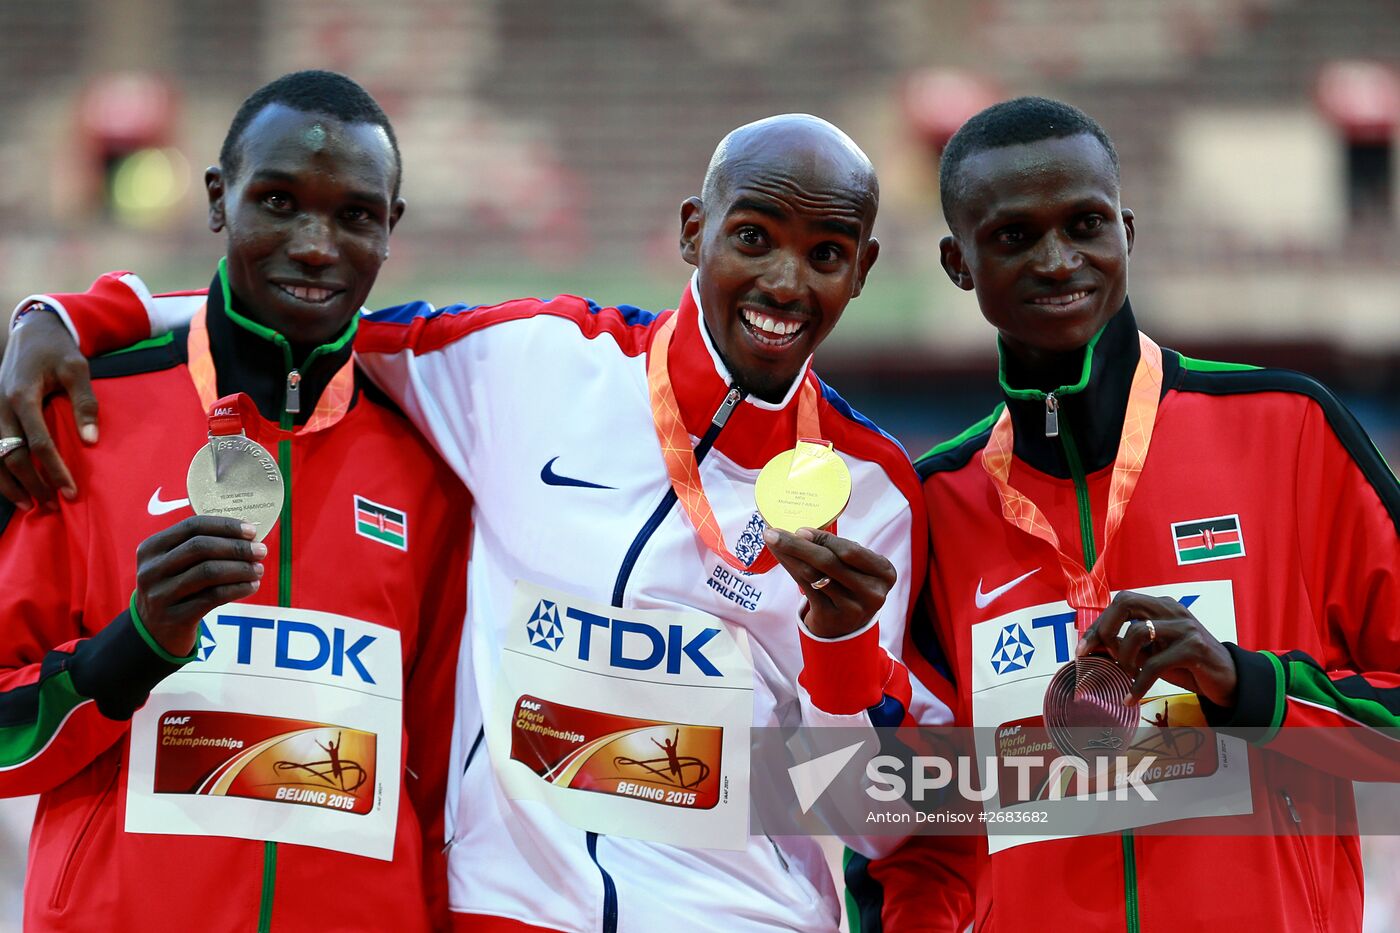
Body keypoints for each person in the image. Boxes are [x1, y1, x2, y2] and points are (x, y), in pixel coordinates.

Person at [0, 115, 967, 931]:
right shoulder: (531, 360)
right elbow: (308, 304)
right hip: (507, 912)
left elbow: (888, 808)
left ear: (865, 268)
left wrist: (842, 653)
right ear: (692, 229)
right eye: (753, 236)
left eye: (826, 254)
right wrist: (76, 314)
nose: (786, 284)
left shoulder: (876, 485)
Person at [849, 97, 1400, 932]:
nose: (1058, 260)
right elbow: (911, 826)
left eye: (1084, 224)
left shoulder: (1289, 430)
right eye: (1013, 236)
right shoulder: (933, 506)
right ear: (958, 262)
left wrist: (1250, 687)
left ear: (1127, 231)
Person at [0, 70, 470, 931]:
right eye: (280, 202)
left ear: (391, 226)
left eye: (355, 215)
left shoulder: (436, 451)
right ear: (220, 199)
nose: (317, 245)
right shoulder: (84, 419)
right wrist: (130, 648)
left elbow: (445, 774)